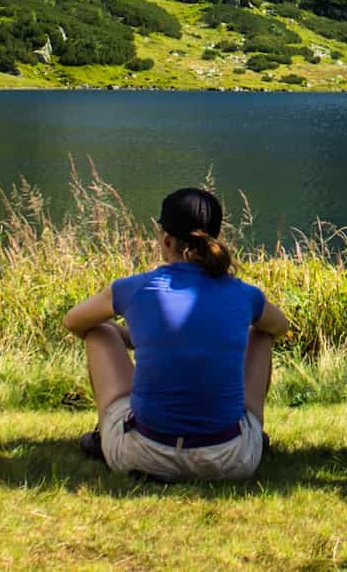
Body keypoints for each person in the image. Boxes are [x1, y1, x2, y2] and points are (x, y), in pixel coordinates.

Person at [64, 186, 291, 482]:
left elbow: (74, 322)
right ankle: (254, 435)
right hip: (231, 459)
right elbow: (281, 327)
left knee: (98, 330)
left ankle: (103, 435)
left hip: (143, 456)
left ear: (166, 239)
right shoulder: (244, 294)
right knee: (261, 333)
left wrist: (130, 335)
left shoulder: (134, 288)